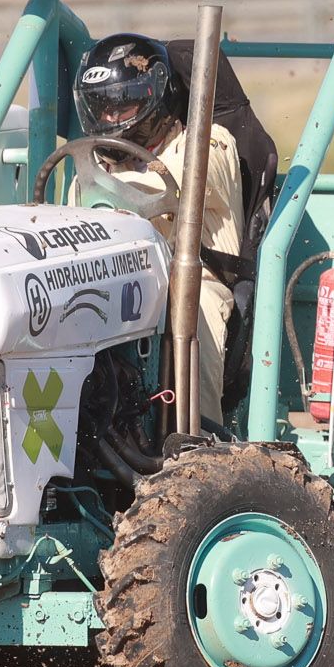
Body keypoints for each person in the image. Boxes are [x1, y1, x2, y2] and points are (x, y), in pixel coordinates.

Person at [69, 32, 270, 428]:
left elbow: (164, 188)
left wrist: (94, 184)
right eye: (102, 109)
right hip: (117, 285)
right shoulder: (94, 167)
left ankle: (201, 441)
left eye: (122, 107)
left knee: (189, 311)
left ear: (156, 97)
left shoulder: (208, 143)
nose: (110, 120)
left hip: (197, 282)